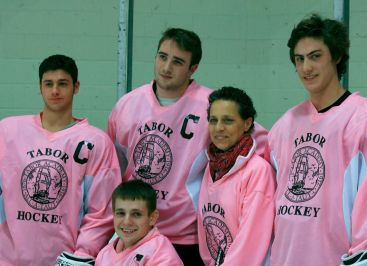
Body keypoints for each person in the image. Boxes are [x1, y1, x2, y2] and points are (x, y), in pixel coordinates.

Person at [107, 28, 268, 265]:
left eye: (177, 61)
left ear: (193, 68)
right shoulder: (126, 106)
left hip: (187, 238)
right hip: (137, 234)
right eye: (162, 57)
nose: (166, 67)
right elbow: (114, 170)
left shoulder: (211, 105)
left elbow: (263, 143)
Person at [264, 14, 367, 266]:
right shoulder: (283, 126)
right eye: (299, 59)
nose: (306, 67)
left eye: (316, 56)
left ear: (336, 56)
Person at [0, 54, 122, 266]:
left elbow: (102, 212)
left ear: (76, 86)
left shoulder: (95, 142)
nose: (55, 91)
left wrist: (81, 255)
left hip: (66, 260)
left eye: (62, 84)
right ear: (40, 87)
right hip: (9, 259)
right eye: (48, 84)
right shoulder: (8, 132)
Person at [197, 87, 275, 266]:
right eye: (213, 120)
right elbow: (206, 232)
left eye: (228, 120)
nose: (219, 128)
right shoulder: (212, 166)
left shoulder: (258, 171)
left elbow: (251, 241)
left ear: (247, 123)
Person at [96, 179, 183, 265]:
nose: (127, 222)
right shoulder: (104, 254)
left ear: (152, 218)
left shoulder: (161, 253)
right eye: (121, 213)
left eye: (136, 214)